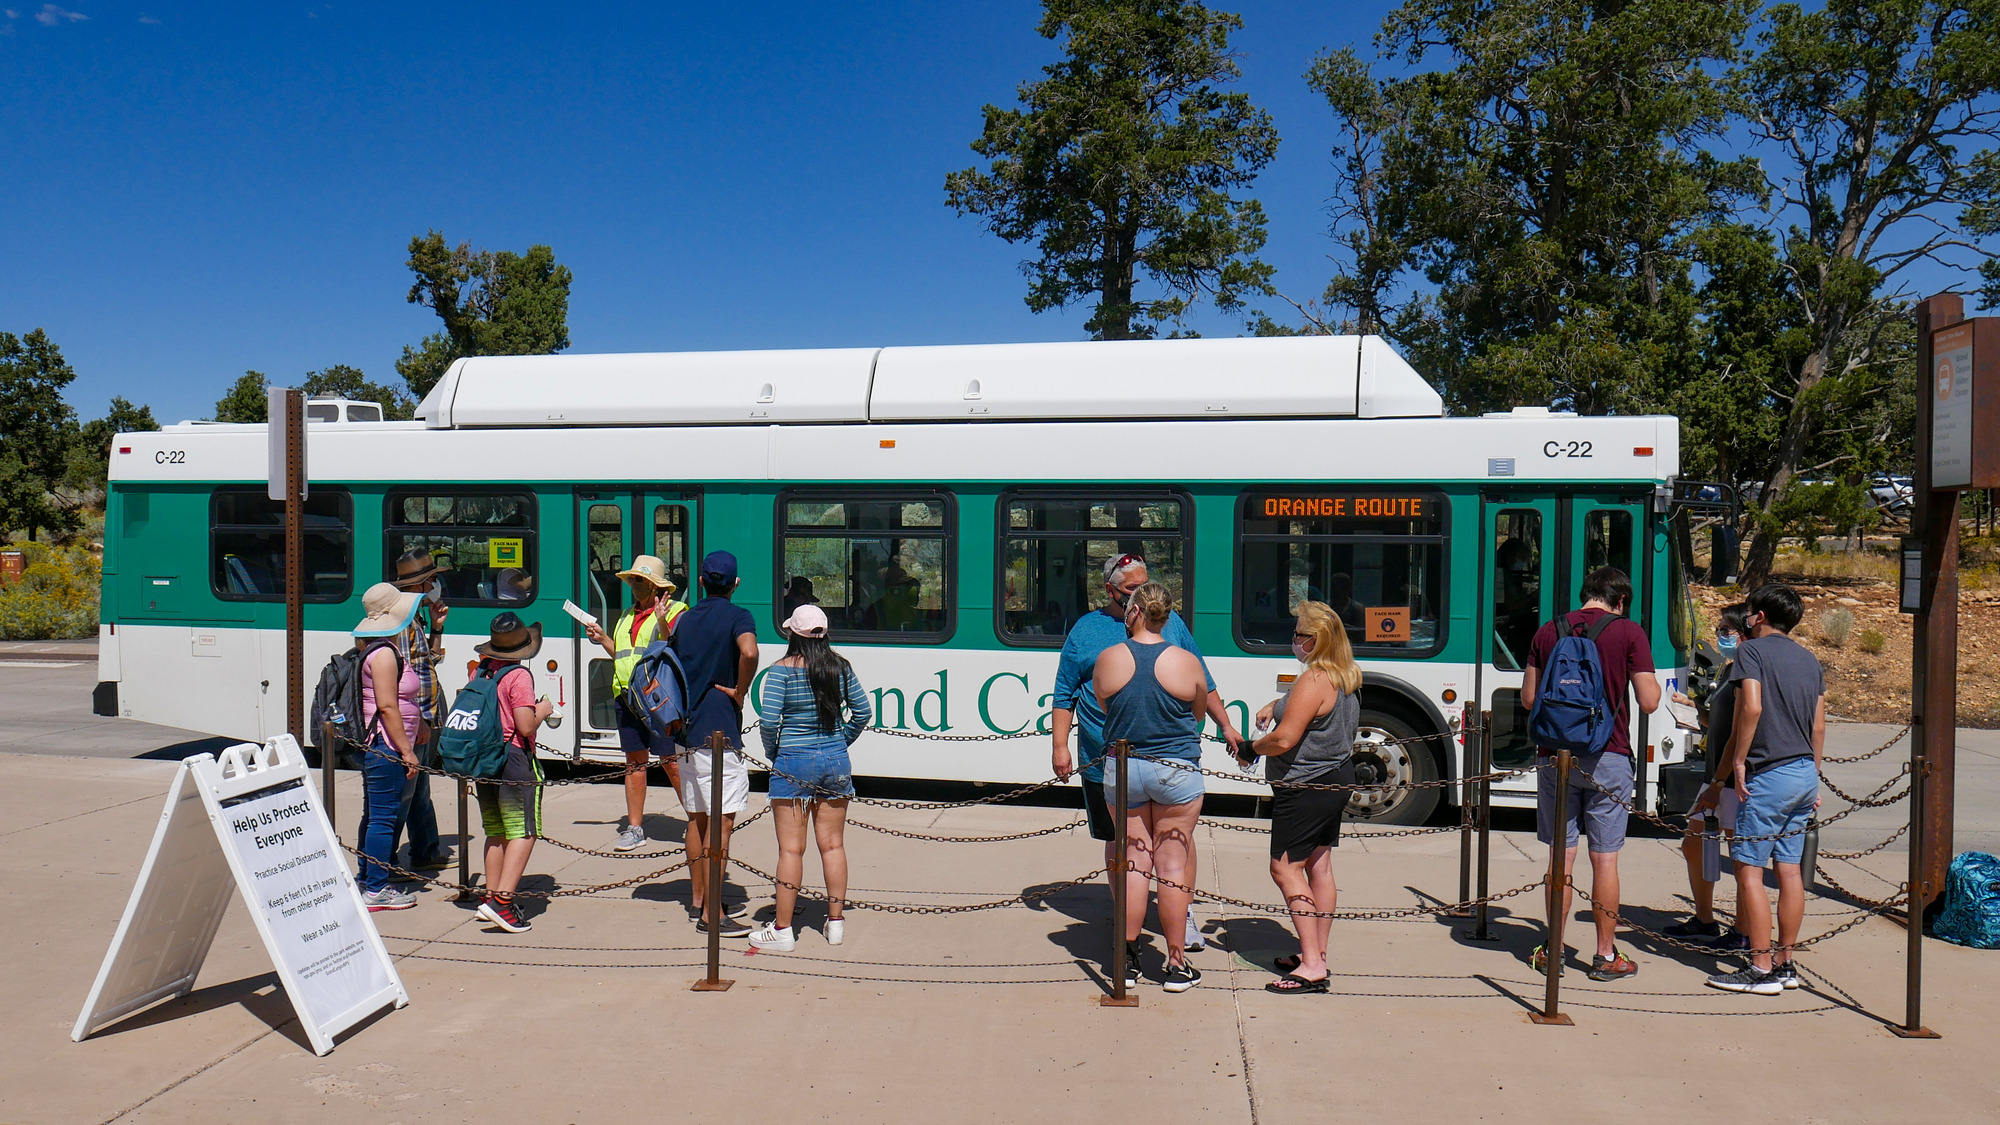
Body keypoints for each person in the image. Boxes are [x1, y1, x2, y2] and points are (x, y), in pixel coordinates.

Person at [1052, 552, 1244, 957]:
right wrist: (1059, 746)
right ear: (1110, 591)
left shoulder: (1170, 622)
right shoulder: (1086, 631)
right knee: (1120, 844)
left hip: (1133, 762)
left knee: (1172, 846)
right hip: (1101, 757)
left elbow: (1203, 681)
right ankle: (1128, 920)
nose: (1138, 596)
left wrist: (1226, 725)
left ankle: (1176, 918)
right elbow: (1064, 691)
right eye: (1129, 589)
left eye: (1143, 585)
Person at [1520, 566, 1660, 982]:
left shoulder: (1549, 631)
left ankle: (1554, 949)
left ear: (1585, 595)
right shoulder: (1629, 633)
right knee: (1605, 859)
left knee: (1560, 856)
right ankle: (1604, 956)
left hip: (1554, 756)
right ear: (1621, 601)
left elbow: (1529, 700)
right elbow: (1649, 701)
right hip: (1609, 756)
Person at [1696, 584, 1825, 995]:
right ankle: (1786, 963)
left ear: (1760, 616)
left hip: (1768, 773)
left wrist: (1737, 761)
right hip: (1804, 773)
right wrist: (1814, 773)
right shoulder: (1810, 660)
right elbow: (1819, 725)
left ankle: (1760, 965)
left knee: (1748, 869)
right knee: (1788, 871)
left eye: (1750, 612)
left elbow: (1750, 707)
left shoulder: (1751, 652)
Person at [1093, 581, 1209, 993]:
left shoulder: (1109, 658)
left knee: (1135, 863)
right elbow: (1198, 713)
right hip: (1176, 769)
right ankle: (1176, 965)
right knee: (1172, 867)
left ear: (1136, 611)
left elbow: (1107, 703)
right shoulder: (1186, 661)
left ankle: (1127, 959)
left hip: (1124, 768)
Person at [1241, 601, 1362, 994]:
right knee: (1319, 867)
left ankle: (1311, 966)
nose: (1294, 641)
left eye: (1299, 636)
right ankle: (1317, 952)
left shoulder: (1314, 679)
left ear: (1317, 640)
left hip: (1306, 785)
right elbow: (1307, 710)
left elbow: (1285, 738)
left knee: (1285, 869)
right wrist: (1273, 705)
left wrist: (1251, 747)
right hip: (1335, 778)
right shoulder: (1345, 674)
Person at [747, 605, 873, 951]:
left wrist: (775, 754)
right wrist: (839, 742)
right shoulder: (840, 667)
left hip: (793, 760)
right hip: (835, 760)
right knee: (833, 845)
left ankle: (783, 930)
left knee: (791, 849)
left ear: (792, 634)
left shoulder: (781, 672)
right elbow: (863, 712)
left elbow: (770, 721)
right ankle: (835, 924)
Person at [672, 549, 760, 937]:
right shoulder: (738, 617)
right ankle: (712, 914)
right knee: (722, 822)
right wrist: (741, 691)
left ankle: (697, 899)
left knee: (697, 819)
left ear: (703, 581)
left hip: (686, 731)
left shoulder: (685, 619)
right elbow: (750, 651)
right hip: (719, 732)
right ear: (735, 583)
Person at [582, 555, 690, 852]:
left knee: (672, 763)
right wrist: (603, 637)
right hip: (627, 698)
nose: (633, 584)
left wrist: (661, 620)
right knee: (634, 765)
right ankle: (635, 829)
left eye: (639, 580)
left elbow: (674, 647)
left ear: (655, 585)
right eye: (632, 579)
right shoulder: (627, 615)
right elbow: (622, 653)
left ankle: (697, 821)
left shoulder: (677, 611)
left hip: (658, 701)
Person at [1662, 602, 1752, 947]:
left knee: (1741, 856)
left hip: (1729, 779)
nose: (1719, 636)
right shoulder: (1729, 670)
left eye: (1726, 630)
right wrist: (1694, 710)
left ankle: (1744, 931)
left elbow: (1740, 729)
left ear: (1744, 632)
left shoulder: (1748, 671)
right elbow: (1718, 720)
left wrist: (1719, 782)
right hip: (1714, 774)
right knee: (1694, 845)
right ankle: (1704, 918)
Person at [469, 612, 555, 934]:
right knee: (524, 830)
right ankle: (503, 905)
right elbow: (524, 724)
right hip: (514, 759)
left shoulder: (483, 670)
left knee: (495, 830)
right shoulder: (518, 677)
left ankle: (491, 898)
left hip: (484, 759)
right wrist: (542, 710)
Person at [352, 582, 423, 912]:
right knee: (383, 817)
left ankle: (368, 879)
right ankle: (376, 888)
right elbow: (387, 706)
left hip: (381, 745)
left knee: (375, 815)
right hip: (386, 746)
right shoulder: (383, 655)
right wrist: (406, 750)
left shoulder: (379, 649)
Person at [389, 549, 452, 873]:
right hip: (414, 718)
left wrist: (438, 628)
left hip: (421, 717)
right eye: (433, 580)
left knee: (418, 790)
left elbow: (427, 663)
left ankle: (425, 850)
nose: (436, 586)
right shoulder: (402, 622)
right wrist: (420, 719)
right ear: (421, 584)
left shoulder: (415, 618)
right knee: (404, 793)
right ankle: (385, 863)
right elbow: (402, 677)